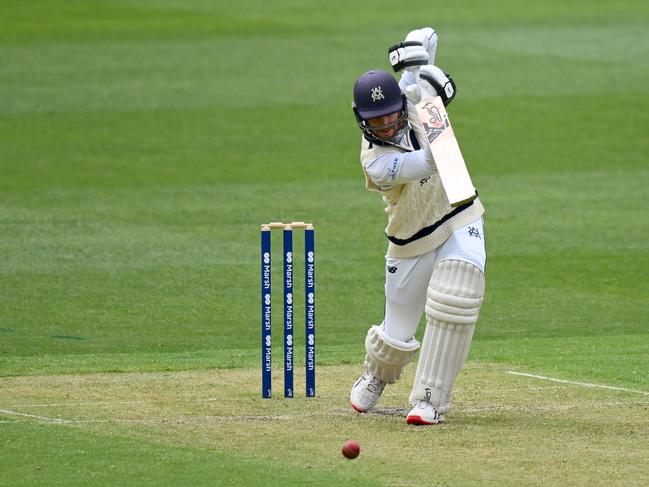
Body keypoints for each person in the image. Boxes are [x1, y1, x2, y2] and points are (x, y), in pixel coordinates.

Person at [349, 27, 487, 425]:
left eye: (392, 114)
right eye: (377, 120)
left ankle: (429, 399)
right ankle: (377, 374)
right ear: (363, 122)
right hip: (411, 238)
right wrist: (433, 99)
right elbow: (431, 160)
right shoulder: (375, 161)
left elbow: (425, 35)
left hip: (460, 210)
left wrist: (418, 65)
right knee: (397, 331)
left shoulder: (412, 101)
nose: (388, 124)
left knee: (457, 295)